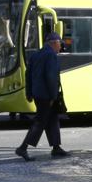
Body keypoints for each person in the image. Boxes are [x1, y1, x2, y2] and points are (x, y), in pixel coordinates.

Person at [15, 32, 69, 161]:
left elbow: (28, 75)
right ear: (54, 43)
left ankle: (56, 147)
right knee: (40, 122)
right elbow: (51, 77)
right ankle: (22, 148)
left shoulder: (36, 55)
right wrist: (53, 96)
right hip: (47, 95)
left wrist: (29, 93)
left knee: (52, 119)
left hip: (37, 94)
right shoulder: (51, 56)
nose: (60, 47)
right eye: (59, 44)